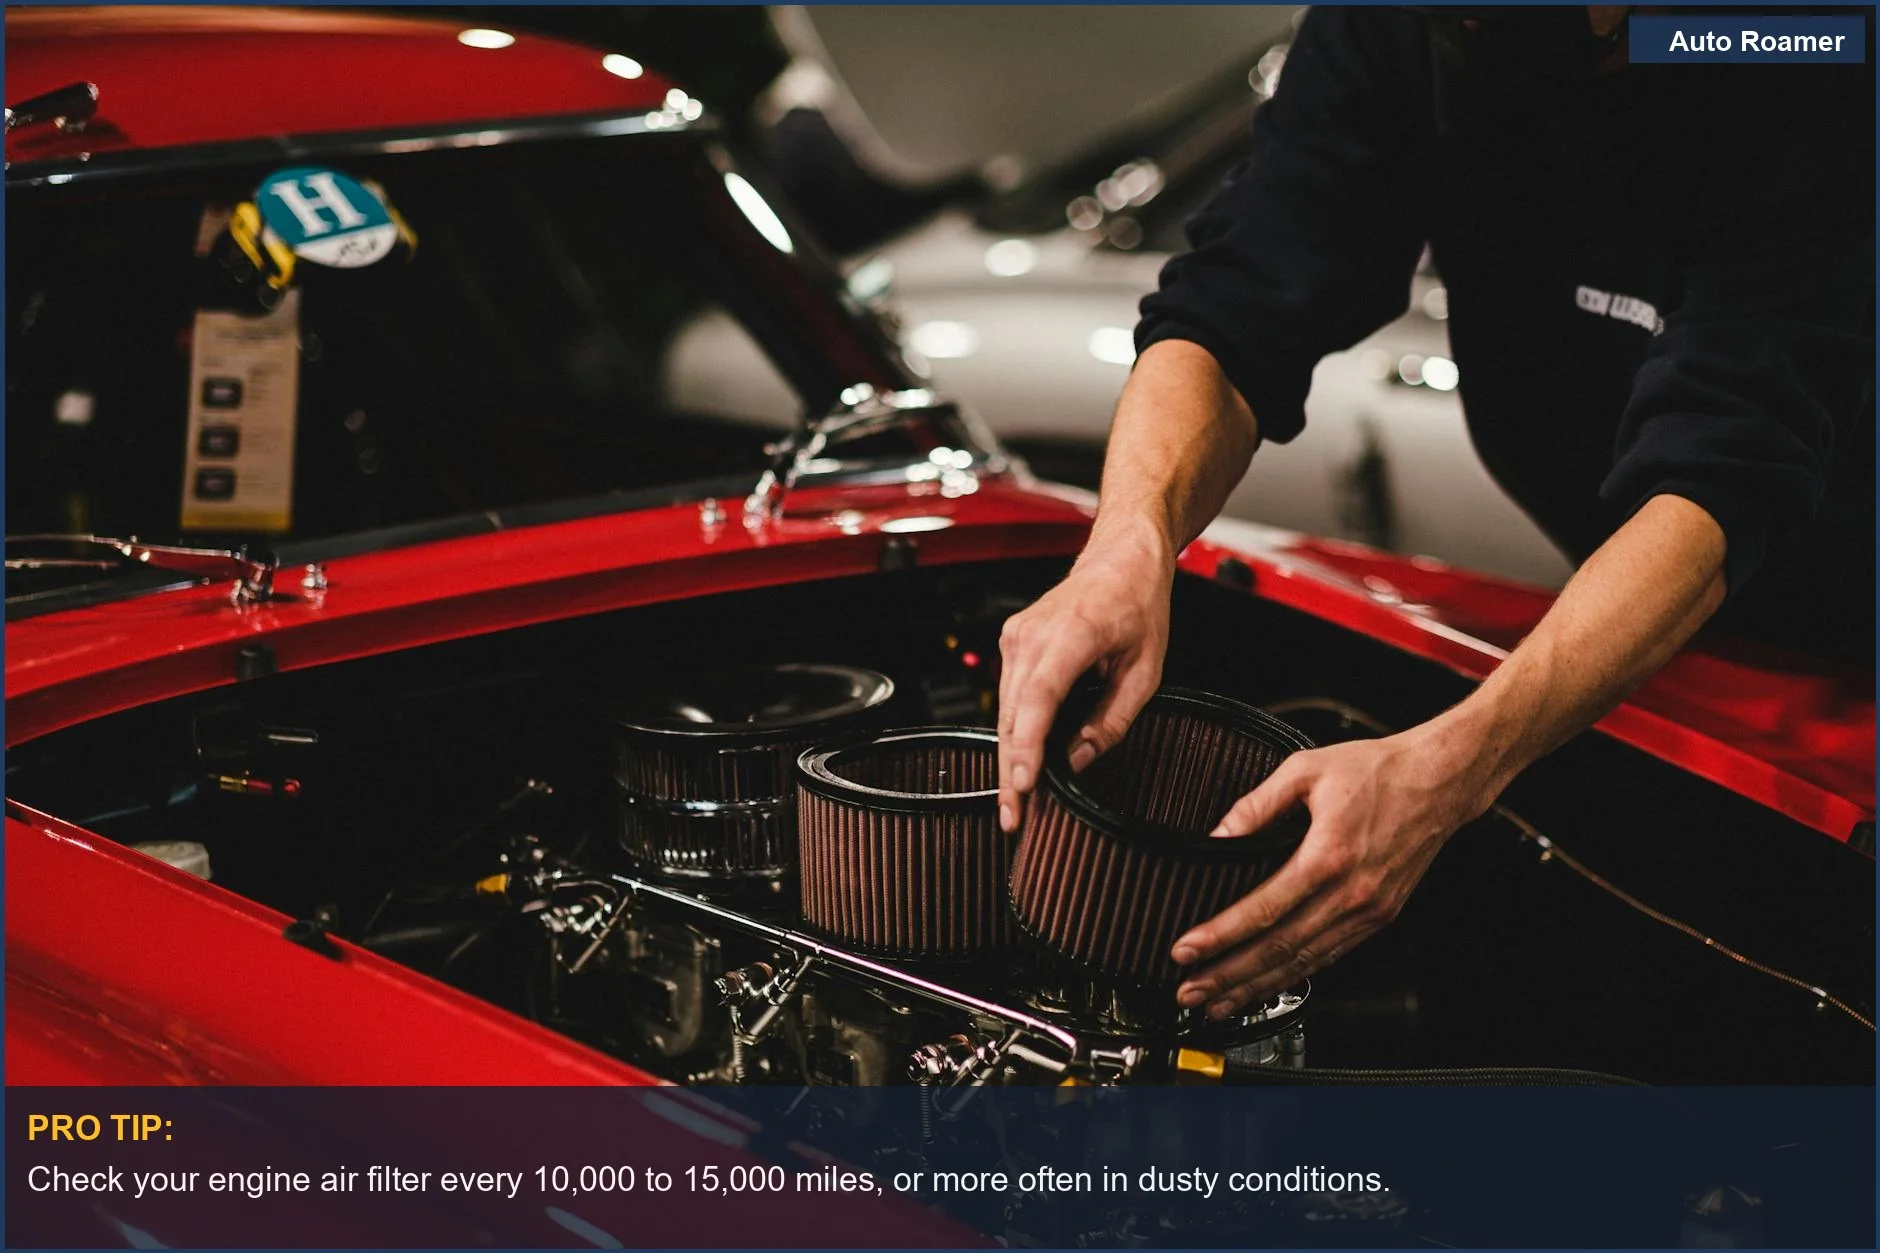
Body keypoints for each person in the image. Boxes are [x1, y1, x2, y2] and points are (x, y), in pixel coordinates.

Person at [993, 6, 1874, 1022]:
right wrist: (1125, 544)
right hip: (1676, 624)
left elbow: (1723, 463)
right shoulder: (1402, 21)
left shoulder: (1802, 56)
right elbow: (1233, 307)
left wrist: (1449, 771)